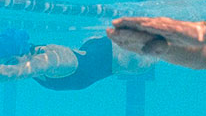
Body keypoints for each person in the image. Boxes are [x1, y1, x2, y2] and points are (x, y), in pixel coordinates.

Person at [0, 28, 153, 89]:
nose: (11, 66)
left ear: (25, 53)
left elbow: (12, 73)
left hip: (122, 55)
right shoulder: (29, 57)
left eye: (12, 62)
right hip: (93, 48)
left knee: (153, 56)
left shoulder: (50, 60)